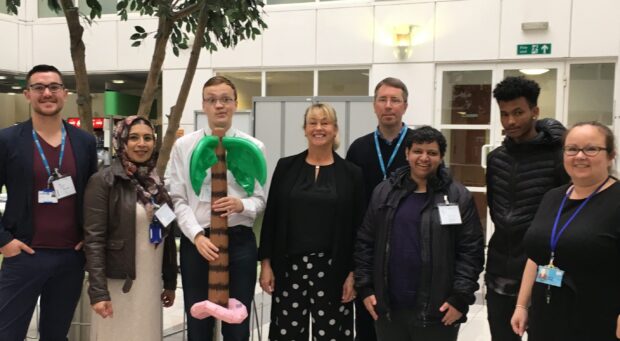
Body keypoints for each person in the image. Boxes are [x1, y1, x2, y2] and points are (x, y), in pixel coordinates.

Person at [355, 126, 484, 341]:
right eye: (417, 151)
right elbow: (365, 242)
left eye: (432, 153)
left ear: (441, 157)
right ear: (407, 154)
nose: (424, 158)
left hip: (439, 313)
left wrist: (460, 299)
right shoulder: (384, 192)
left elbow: (471, 252)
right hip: (389, 310)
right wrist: (366, 288)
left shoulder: (457, 196)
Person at [0, 64, 98, 340]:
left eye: (54, 87)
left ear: (64, 94)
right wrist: (4, 242)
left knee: (56, 335)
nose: (47, 93)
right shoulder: (7, 141)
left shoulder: (84, 142)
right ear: (27, 94)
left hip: (70, 257)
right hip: (23, 255)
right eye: (39, 87)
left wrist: (88, 239)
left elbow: (93, 196)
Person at [166, 75, 266, 341]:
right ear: (204, 105)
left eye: (225, 99)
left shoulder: (253, 147)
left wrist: (241, 204)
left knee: (237, 321)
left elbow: (260, 199)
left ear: (235, 104)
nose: (219, 105)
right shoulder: (184, 146)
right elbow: (177, 198)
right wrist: (196, 236)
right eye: (212, 100)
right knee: (198, 323)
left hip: (239, 242)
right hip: (199, 241)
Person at [259, 103, 365, 340]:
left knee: (331, 335)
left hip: (334, 270)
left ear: (335, 129)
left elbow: (359, 228)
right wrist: (266, 263)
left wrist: (354, 273)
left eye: (325, 122)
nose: (319, 128)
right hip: (288, 269)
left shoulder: (352, 174)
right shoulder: (286, 167)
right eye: (313, 122)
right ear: (305, 129)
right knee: (287, 333)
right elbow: (272, 218)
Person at [511, 121, 620, 341]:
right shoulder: (553, 197)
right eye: (572, 149)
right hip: (546, 315)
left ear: (610, 156)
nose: (580, 156)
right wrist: (522, 305)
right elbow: (538, 255)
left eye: (591, 149)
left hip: (596, 319)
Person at [485, 76, 569, 341]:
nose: (510, 121)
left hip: (545, 270)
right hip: (500, 268)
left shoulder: (559, 157)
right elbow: (494, 210)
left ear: (535, 111)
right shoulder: (495, 159)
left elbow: (566, 216)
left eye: (518, 112)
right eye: (504, 114)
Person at [83, 116, 178, 340]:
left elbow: (167, 235)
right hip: (118, 284)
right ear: (121, 142)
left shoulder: (156, 185)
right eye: (133, 137)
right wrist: (98, 292)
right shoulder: (104, 181)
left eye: (147, 138)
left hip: (151, 283)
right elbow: (93, 239)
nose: (141, 144)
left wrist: (171, 282)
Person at [345, 76, 414, 341]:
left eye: (394, 100)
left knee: (403, 320)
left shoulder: (418, 147)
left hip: (408, 246)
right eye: (382, 100)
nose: (388, 106)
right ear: (374, 105)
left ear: (405, 106)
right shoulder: (359, 148)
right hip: (368, 248)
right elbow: (350, 204)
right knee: (367, 319)